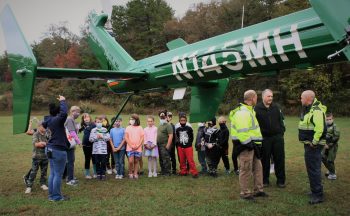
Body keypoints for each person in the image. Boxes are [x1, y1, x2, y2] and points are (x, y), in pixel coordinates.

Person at [229, 90, 267, 201]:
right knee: (245, 169)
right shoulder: (243, 112)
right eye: (256, 97)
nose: (257, 99)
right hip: (246, 146)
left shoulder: (250, 111)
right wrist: (249, 144)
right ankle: (245, 193)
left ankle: (259, 190)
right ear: (252, 98)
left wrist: (255, 145)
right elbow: (242, 131)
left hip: (253, 145)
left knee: (258, 167)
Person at [299, 90, 327, 205]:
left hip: (313, 146)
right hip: (309, 144)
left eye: (301, 98)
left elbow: (320, 129)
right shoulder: (310, 109)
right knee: (312, 169)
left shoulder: (316, 111)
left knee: (314, 169)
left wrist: (314, 142)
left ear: (308, 98)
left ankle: (318, 195)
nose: (300, 100)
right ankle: (315, 191)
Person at [255, 89, 286, 188]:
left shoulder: (276, 107)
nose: (271, 98)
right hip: (265, 138)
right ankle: (265, 180)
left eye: (272, 96)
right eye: (268, 96)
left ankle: (281, 181)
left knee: (279, 159)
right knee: (264, 160)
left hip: (277, 138)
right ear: (263, 97)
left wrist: (281, 132)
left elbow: (281, 121)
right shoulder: (257, 109)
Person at [42, 95, 69, 201]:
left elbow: (42, 124)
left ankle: (51, 196)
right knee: (58, 174)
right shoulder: (57, 120)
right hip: (58, 150)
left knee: (53, 173)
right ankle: (57, 197)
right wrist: (63, 101)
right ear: (57, 113)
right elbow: (64, 113)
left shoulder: (48, 121)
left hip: (49, 149)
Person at [23, 121, 50, 194]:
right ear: (39, 126)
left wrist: (44, 143)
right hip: (37, 157)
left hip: (45, 156)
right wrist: (44, 143)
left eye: (45, 126)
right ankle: (29, 186)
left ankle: (43, 184)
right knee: (33, 172)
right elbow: (37, 145)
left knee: (44, 172)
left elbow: (51, 142)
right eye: (43, 126)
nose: (45, 128)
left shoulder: (47, 133)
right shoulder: (36, 134)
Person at [89, 116, 111, 180]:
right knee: (97, 162)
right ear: (95, 123)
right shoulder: (93, 130)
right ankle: (98, 173)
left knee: (103, 162)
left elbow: (108, 138)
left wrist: (102, 137)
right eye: (97, 122)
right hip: (96, 150)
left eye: (100, 122)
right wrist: (96, 137)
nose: (99, 123)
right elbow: (90, 139)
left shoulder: (105, 130)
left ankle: (103, 173)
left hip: (103, 150)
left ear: (102, 123)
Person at [64, 106, 81, 186]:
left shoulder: (72, 120)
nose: (78, 114)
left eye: (79, 112)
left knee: (70, 161)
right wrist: (78, 141)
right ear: (72, 111)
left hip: (70, 144)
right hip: (69, 144)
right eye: (76, 112)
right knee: (70, 161)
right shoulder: (70, 119)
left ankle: (70, 176)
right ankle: (69, 179)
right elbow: (72, 132)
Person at [125, 114, 144, 179]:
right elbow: (126, 137)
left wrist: (138, 145)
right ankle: (130, 172)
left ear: (136, 120)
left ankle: (135, 173)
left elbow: (142, 137)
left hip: (138, 148)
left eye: (132, 119)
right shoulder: (128, 127)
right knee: (130, 161)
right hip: (130, 148)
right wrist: (131, 145)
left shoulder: (140, 127)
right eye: (130, 119)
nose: (131, 120)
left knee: (136, 161)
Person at [322, 112, 340, 180]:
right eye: (327, 119)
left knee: (330, 160)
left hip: (332, 147)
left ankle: (333, 174)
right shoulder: (325, 126)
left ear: (333, 119)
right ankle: (330, 170)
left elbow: (336, 137)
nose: (328, 121)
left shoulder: (335, 127)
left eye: (330, 119)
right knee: (323, 158)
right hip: (325, 145)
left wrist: (329, 145)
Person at [79, 113, 96, 179]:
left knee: (94, 158)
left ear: (90, 118)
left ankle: (95, 172)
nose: (86, 119)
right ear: (83, 119)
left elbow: (91, 130)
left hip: (93, 144)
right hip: (85, 145)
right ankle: (87, 174)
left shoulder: (93, 125)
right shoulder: (82, 125)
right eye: (84, 118)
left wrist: (86, 127)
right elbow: (78, 131)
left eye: (87, 117)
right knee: (87, 159)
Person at [157, 110, 173, 176]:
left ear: (166, 117)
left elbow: (171, 135)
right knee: (161, 158)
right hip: (159, 145)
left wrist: (168, 145)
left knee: (166, 158)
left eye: (163, 117)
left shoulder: (168, 125)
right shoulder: (160, 125)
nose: (162, 118)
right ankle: (163, 171)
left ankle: (168, 172)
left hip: (165, 145)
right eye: (161, 117)